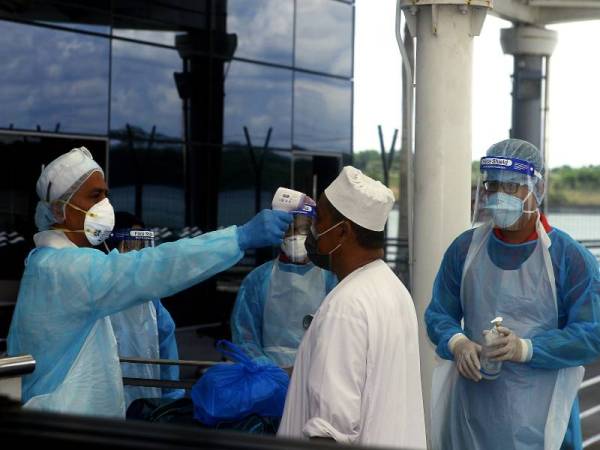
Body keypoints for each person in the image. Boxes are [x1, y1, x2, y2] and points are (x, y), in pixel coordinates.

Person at [7, 147, 292, 418]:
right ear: (58, 211)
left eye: (106, 195)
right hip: (66, 423)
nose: (105, 205)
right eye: (94, 196)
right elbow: (155, 265)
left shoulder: (56, 263)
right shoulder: (63, 269)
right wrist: (237, 238)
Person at [425, 139, 600, 450]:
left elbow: (592, 334)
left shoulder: (568, 258)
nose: (499, 196)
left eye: (513, 186)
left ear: (538, 188)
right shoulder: (465, 249)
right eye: (493, 186)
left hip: (542, 423)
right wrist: (458, 341)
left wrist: (526, 349)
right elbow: (439, 312)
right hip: (471, 417)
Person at [277, 166, 427, 449]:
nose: (312, 229)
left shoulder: (345, 306)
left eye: (318, 219)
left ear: (343, 231)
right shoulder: (393, 289)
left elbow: (330, 429)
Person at [230, 200, 337, 368]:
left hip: (316, 374)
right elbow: (245, 337)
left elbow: (338, 336)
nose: (296, 237)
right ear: (278, 233)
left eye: (303, 230)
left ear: (315, 233)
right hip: (269, 378)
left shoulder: (331, 279)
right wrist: (267, 372)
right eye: (289, 230)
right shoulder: (258, 279)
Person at [105, 212, 184, 408]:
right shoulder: (96, 290)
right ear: (109, 244)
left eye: (141, 244)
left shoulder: (150, 297)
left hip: (147, 397)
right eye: (131, 244)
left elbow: (166, 346)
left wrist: (170, 397)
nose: (138, 252)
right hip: (102, 397)